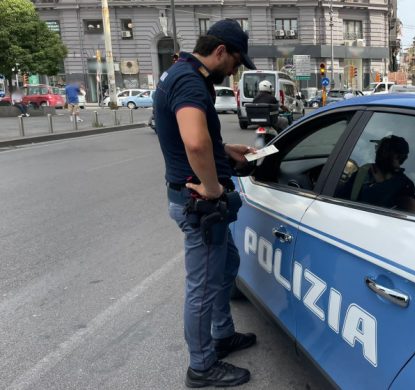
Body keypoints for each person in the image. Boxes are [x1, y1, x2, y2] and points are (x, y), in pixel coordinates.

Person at [153, 19, 259, 388]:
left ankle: (222, 334)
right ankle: (201, 366)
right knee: (203, 286)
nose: (234, 71)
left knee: (226, 265)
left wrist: (226, 150)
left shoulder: (180, 73)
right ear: (220, 51)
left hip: (191, 197)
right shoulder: (189, 82)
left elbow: (199, 141)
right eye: (235, 62)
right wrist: (213, 188)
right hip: (199, 203)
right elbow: (194, 143)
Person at [341, 135, 415, 212]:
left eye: (383, 149)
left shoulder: (405, 185)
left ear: (398, 156)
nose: (376, 151)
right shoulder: (364, 171)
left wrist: (381, 186)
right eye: (377, 147)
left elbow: (407, 217)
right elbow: (341, 197)